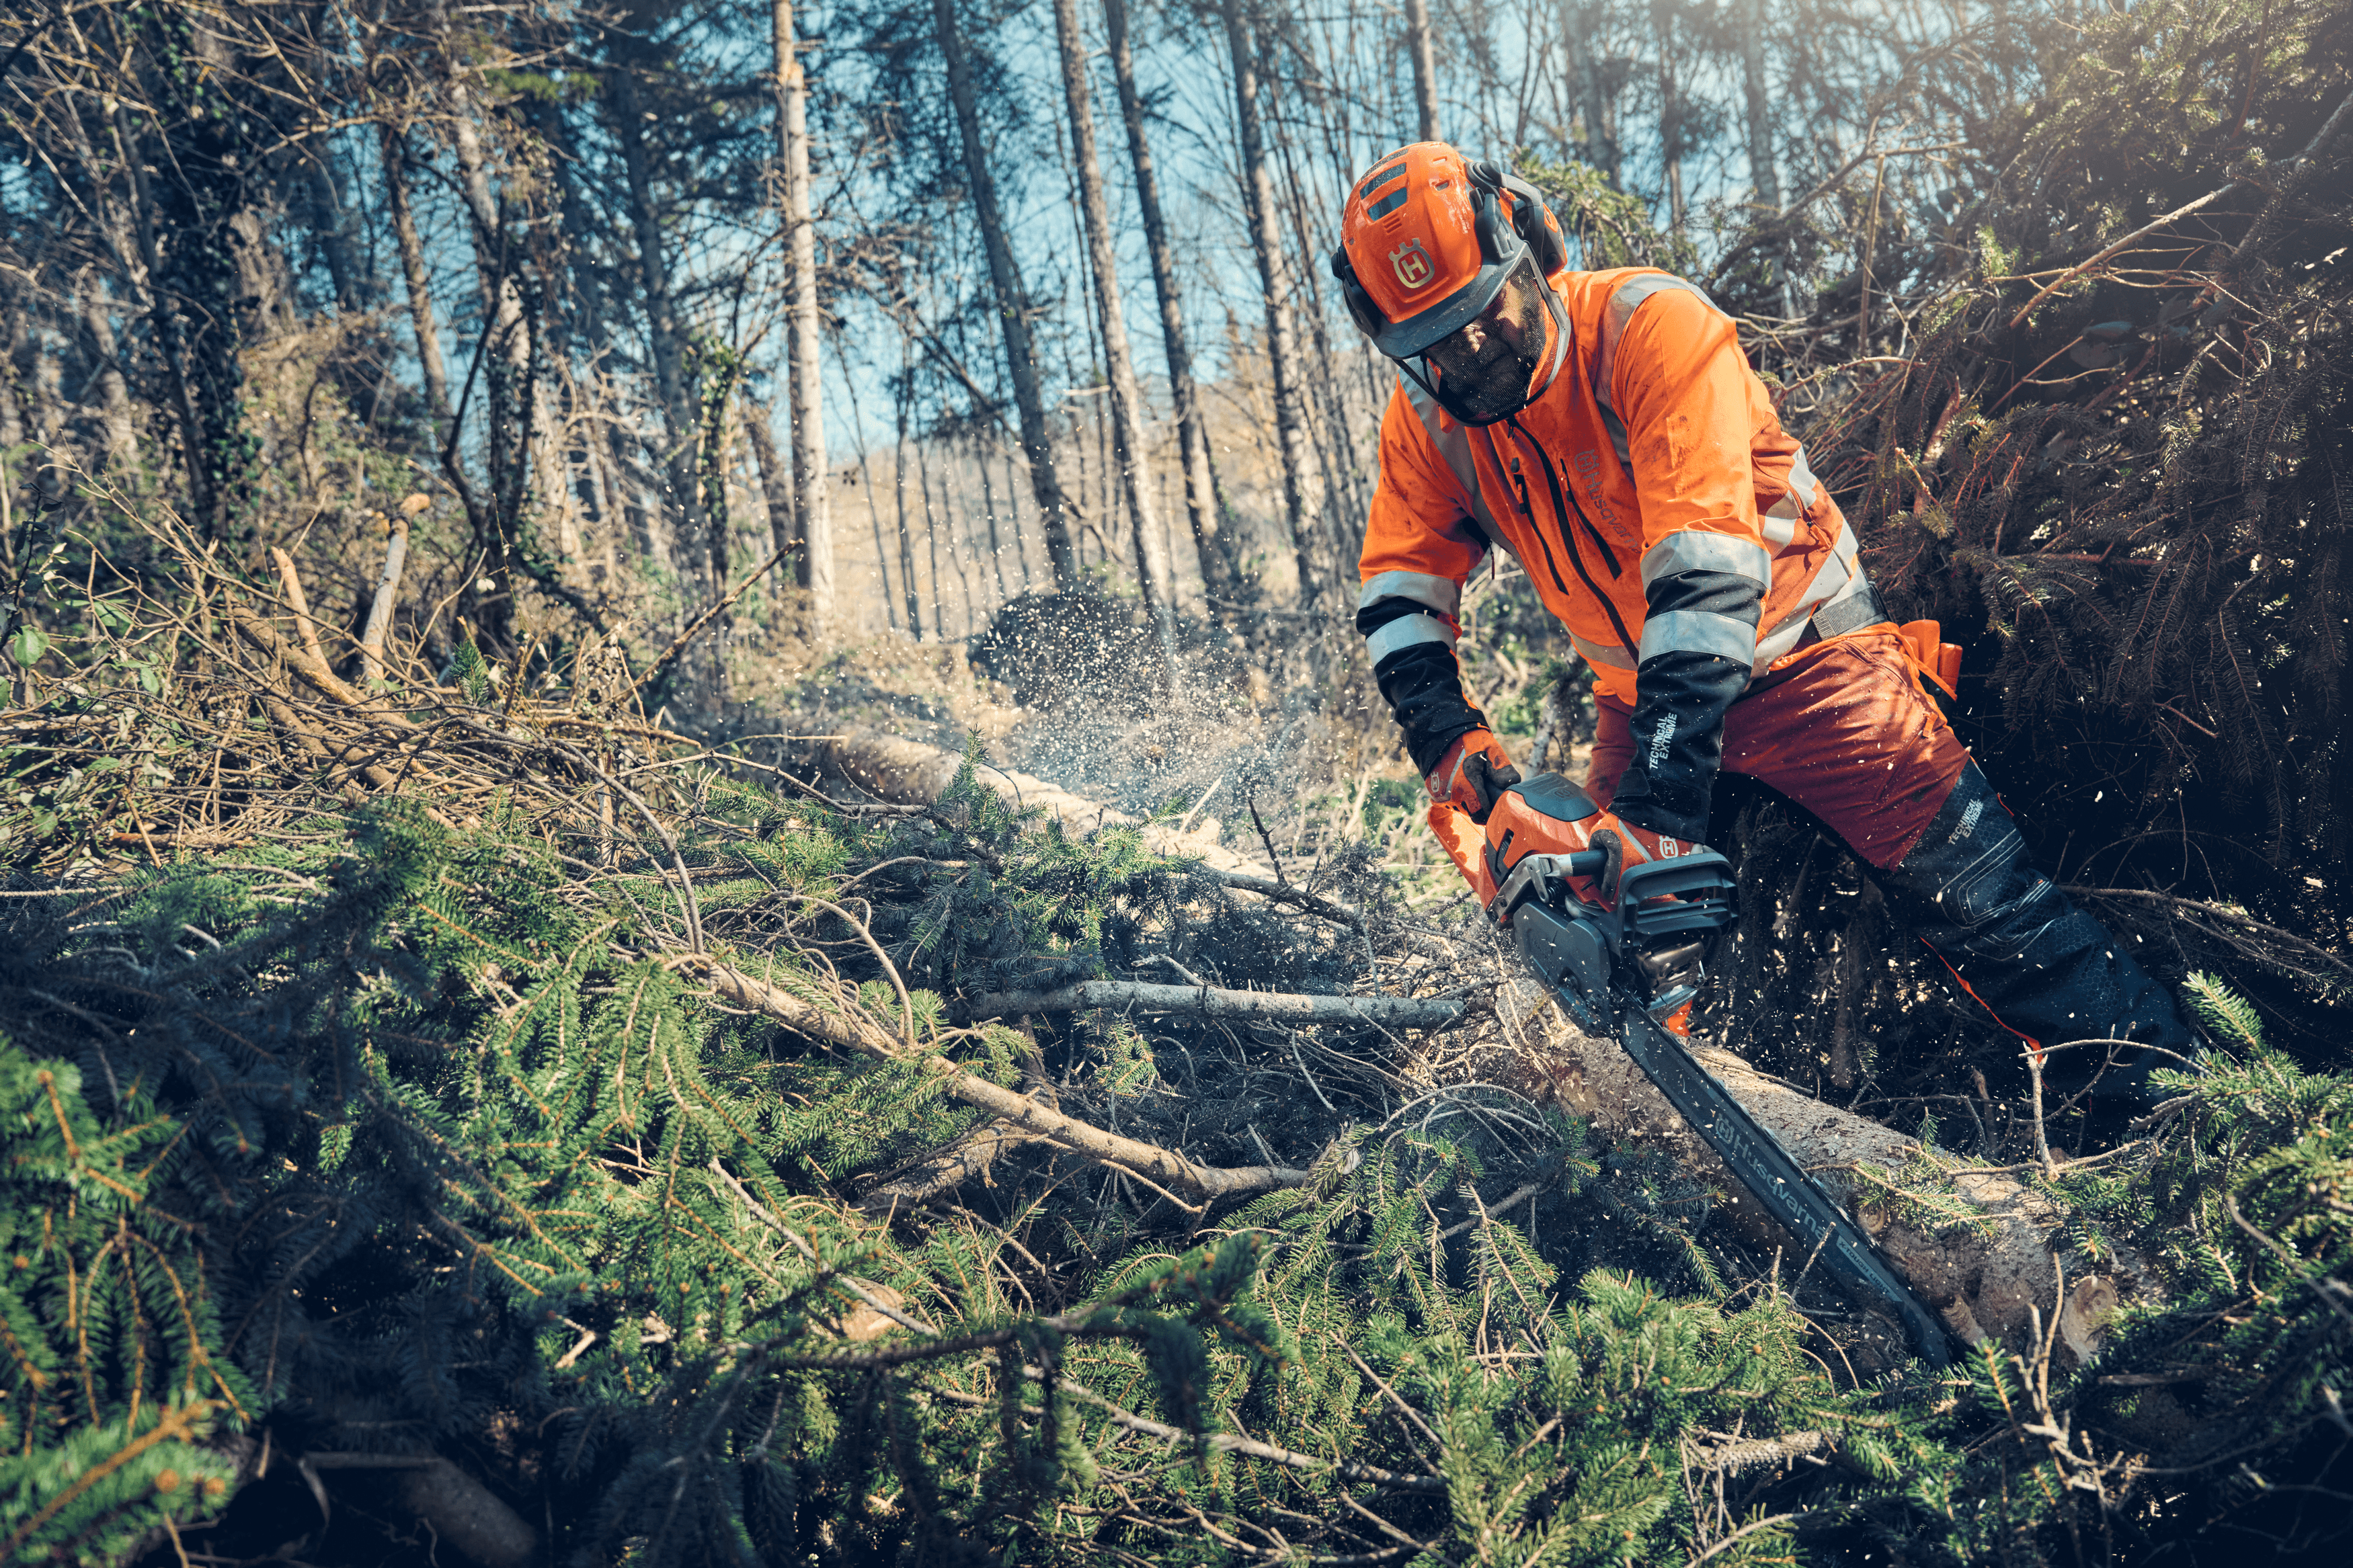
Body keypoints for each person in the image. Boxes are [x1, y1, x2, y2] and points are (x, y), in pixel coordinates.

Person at [1332, 141, 2196, 1119]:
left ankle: (2176, 1107)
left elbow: (1706, 575)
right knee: (1606, 950)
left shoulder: (1649, 326)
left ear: (1531, 249)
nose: (1476, 358)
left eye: (1492, 318)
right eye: (1442, 344)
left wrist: (1657, 816)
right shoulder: (1428, 428)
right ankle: (1667, 1143)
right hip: (1641, 696)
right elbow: (1402, 594)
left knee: (1990, 908)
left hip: (1811, 664)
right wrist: (1453, 748)